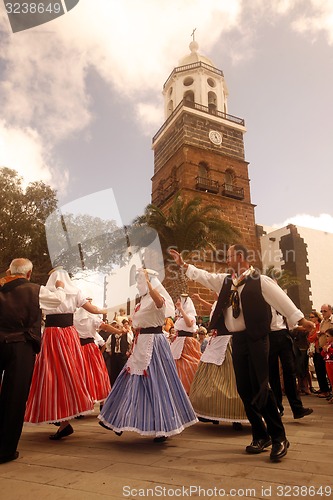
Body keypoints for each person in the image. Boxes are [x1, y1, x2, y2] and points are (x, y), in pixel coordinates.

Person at [169, 245, 315, 462]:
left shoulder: (260, 280)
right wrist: (184, 265)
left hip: (257, 338)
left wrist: (300, 320)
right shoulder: (228, 281)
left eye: (229, 256)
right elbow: (206, 277)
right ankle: (260, 435)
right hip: (237, 340)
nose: (226, 259)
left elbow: (281, 300)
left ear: (239, 257)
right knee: (244, 389)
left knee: (261, 386)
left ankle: (279, 437)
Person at [98, 269, 198, 442]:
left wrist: (149, 282)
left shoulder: (156, 297)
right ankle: (118, 418)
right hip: (141, 342)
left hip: (154, 343)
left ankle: (163, 427)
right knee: (128, 379)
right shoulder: (143, 300)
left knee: (157, 382)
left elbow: (159, 301)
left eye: (140, 281)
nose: (138, 284)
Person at [24, 267, 107, 440]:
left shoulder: (47, 291)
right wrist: (102, 311)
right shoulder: (75, 291)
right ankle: (65, 417)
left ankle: (61, 417)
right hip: (69, 334)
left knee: (53, 374)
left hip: (53, 334)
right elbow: (91, 309)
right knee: (70, 372)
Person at [0, 258, 66, 463]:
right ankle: (5, 451)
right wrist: (61, 287)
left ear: (10, 271)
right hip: (21, 345)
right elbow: (58, 301)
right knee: (15, 398)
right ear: (29, 274)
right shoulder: (35, 290)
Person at [268, 309, 313, 418]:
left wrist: (299, 327)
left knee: (290, 371)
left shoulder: (280, 303)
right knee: (273, 374)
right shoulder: (262, 300)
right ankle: (277, 408)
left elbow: (289, 322)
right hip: (269, 336)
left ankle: (297, 408)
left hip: (284, 335)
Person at [74, 299, 111, 405]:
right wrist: (119, 331)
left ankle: (83, 403)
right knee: (97, 374)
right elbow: (105, 327)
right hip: (89, 349)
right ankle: (100, 401)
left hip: (78, 349)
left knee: (82, 375)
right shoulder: (91, 318)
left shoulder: (75, 318)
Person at [170, 294, 201, 394]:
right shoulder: (179, 317)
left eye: (180, 302)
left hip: (187, 342)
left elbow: (189, 324)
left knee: (188, 365)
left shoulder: (190, 316)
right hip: (178, 342)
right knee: (176, 365)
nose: (178, 304)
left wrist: (181, 309)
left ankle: (188, 388)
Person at [101, 318, 134, 386]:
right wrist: (109, 350)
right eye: (115, 327)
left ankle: (123, 385)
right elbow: (107, 344)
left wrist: (129, 351)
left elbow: (132, 344)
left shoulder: (126, 335)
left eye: (118, 327)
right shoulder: (112, 336)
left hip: (123, 357)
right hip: (114, 356)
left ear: (122, 328)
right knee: (114, 372)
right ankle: (114, 385)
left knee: (123, 372)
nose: (117, 329)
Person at [308, 310, 330, 397]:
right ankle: (323, 389)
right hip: (317, 349)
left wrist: (316, 334)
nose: (310, 319)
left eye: (312, 317)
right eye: (310, 317)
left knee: (323, 370)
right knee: (319, 370)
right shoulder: (320, 324)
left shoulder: (318, 325)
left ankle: (326, 390)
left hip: (323, 349)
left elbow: (312, 338)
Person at [321, 328, 333, 403]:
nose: (326, 338)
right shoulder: (328, 344)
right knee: (331, 380)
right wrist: (324, 350)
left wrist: (328, 349)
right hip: (328, 362)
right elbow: (323, 354)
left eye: (328, 336)